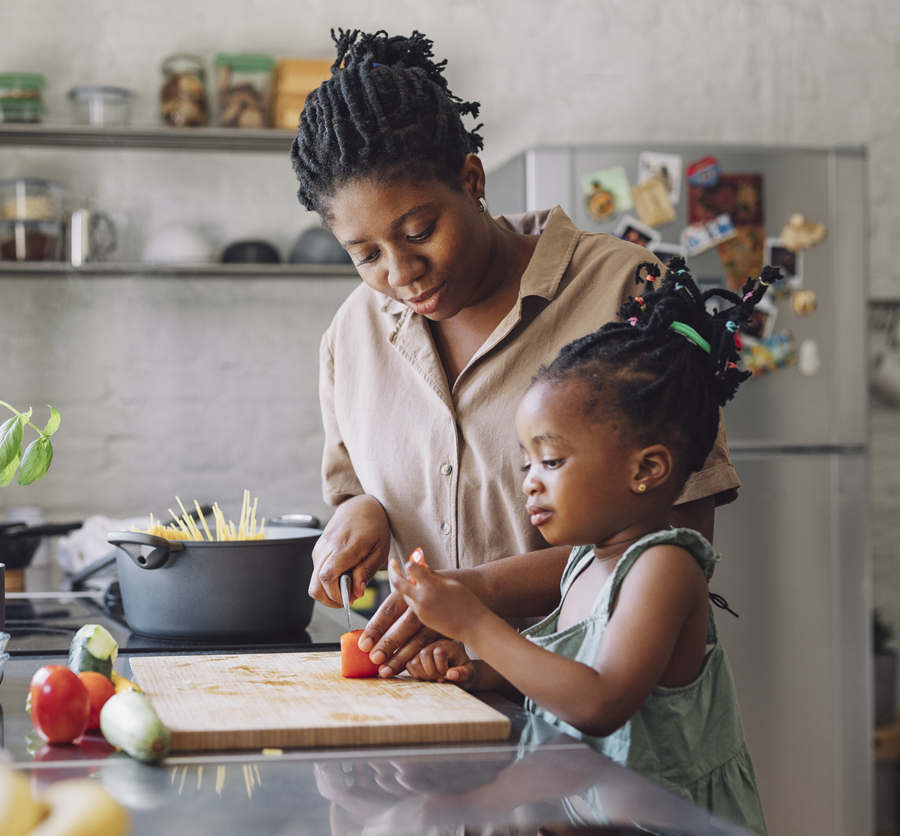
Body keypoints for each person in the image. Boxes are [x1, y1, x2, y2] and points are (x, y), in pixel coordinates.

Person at [290, 28, 740, 677]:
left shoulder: (626, 291)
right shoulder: (352, 333)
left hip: (605, 721)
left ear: (472, 178)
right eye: (365, 255)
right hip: (426, 706)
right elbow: (356, 489)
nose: (402, 271)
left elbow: (681, 541)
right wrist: (362, 514)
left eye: (419, 231)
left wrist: (477, 594)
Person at [390, 259, 773, 834]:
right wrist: (481, 670)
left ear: (647, 469)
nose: (530, 481)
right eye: (526, 463)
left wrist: (474, 624)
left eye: (552, 460)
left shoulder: (664, 568)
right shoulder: (582, 564)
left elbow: (600, 703)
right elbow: (567, 677)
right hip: (593, 810)